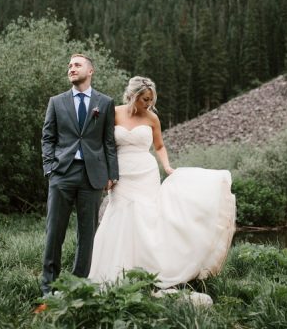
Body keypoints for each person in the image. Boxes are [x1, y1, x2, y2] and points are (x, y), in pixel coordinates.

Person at [88, 76, 236, 288]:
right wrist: (106, 173)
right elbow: (104, 143)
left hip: (146, 173)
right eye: (144, 99)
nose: (148, 104)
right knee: (119, 214)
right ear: (132, 95)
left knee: (146, 218)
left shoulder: (152, 118)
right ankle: (113, 271)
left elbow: (158, 146)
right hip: (121, 174)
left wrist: (167, 167)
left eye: (150, 100)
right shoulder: (114, 112)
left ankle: (146, 270)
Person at [40, 53, 119, 296]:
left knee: (88, 235)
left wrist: (112, 173)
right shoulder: (57, 101)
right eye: (70, 66)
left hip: (92, 176)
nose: (71, 69)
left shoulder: (105, 102)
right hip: (62, 173)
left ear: (90, 71)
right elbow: (48, 137)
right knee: (55, 231)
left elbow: (108, 142)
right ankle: (49, 288)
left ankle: (78, 286)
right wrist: (50, 167)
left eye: (77, 65)